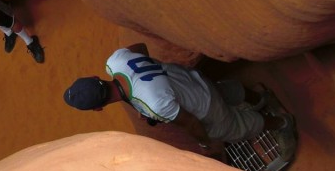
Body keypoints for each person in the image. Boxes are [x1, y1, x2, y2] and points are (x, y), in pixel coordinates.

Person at [62, 43, 293, 155]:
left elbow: (191, 123)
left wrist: (205, 142)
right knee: (226, 91)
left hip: (204, 107)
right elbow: (140, 48)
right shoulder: (115, 61)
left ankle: (281, 123)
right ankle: (261, 96)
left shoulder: (154, 105)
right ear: (95, 77)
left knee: (236, 127)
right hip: (192, 80)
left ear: (98, 109)